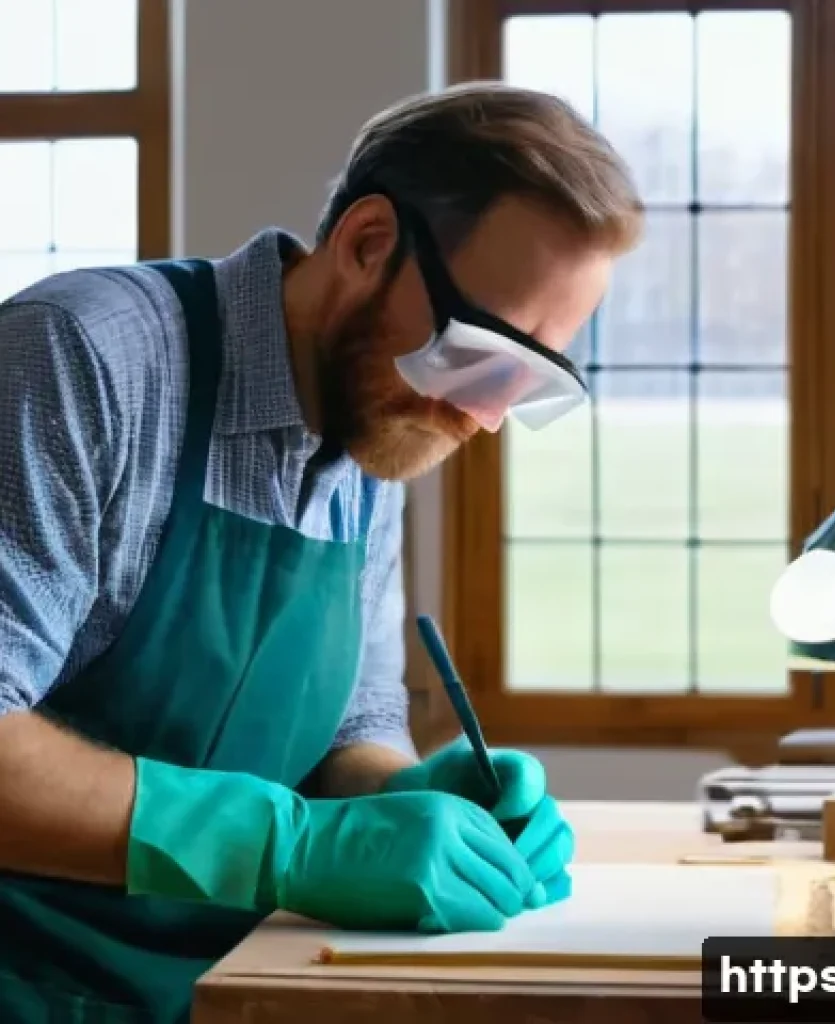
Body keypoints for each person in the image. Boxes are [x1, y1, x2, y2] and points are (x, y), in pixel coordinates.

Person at [0, 82, 643, 1022]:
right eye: (479, 354)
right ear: (368, 244)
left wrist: (418, 797)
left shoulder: (376, 419)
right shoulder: (82, 357)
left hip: (220, 989)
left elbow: (349, 726)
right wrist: (292, 848)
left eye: (527, 382)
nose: (486, 417)